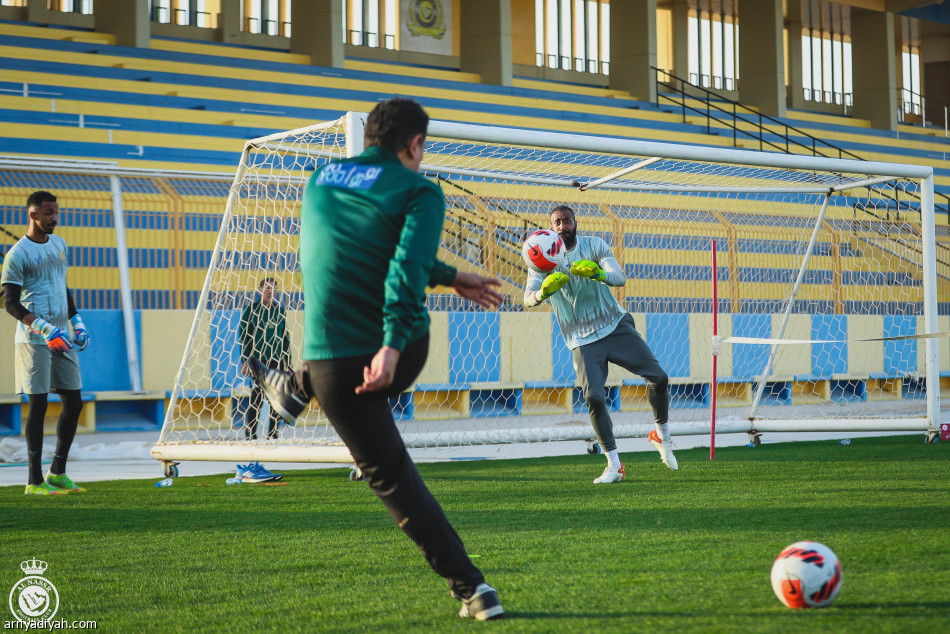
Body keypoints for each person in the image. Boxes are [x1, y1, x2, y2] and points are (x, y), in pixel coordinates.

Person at [247, 98, 506, 620]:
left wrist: (451, 276)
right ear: (414, 144)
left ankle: (296, 387)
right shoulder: (419, 191)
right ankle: (473, 591)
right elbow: (404, 268)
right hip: (399, 347)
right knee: (394, 474)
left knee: (390, 479)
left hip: (331, 363)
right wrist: (390, 345)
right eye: (424, 147)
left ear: (369, 137)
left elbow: (361, 249)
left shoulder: (320, 179)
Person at [523, 204, 677, 484]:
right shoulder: (542, 257)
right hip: (582, 340)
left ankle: (661, 435)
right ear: (551, 226)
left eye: (566, 221)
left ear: (574, 223)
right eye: (556, 222)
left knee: (659, 378)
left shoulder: (594, 245)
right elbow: (527, 297)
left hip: (614, 325)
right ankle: (614, 465)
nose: (562, 227)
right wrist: (542, 293)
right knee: (594, 397)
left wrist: (598, 274)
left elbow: (619, 277)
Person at [1, 190, 91, 495]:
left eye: (56, 212)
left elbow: (60, 284)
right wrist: (42, 327)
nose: (54, 218)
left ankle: (57, 473)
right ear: (33, 215)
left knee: (74, 401)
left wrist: (76, 320)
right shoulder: (18, 254)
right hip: (34, 340)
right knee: (38, 405)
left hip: (61, 335)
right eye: (48, 213)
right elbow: (11, 303)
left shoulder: (60, 245)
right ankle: (33, 481)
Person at [235, 277, 291, 483]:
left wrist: (288, 361)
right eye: (267, 289)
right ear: (259, 291)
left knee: (276, 399)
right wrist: (245, 360)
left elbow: (285, 337)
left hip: (276, 360)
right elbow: (244, 335)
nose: (270, 292)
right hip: (258, 360)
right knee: (257, 398)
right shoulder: (251, 310)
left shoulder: (279, 310)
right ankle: (250, 434)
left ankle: (273, 435)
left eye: (273, 289)